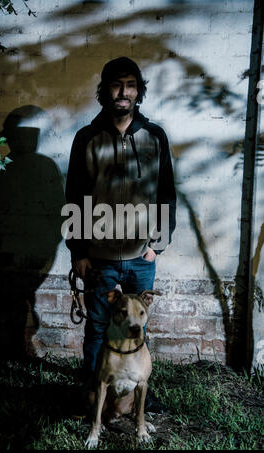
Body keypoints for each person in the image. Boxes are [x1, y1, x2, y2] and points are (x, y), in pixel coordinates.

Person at [65, 57, 176, 389]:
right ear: (105, 91)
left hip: (141, 257)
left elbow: (167, 193)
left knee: (137, 326)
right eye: (116, 84)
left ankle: (137, 391)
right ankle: (92, 394)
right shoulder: (87, 138)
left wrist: (158, 245)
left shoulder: (155, 137)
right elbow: (74, 196)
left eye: (130, 84)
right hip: (100, 257)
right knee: (99, 326)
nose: (123, 92)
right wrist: (78, 253)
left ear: (138, 91)